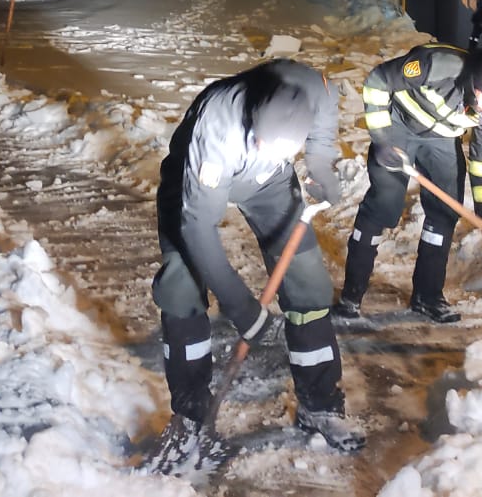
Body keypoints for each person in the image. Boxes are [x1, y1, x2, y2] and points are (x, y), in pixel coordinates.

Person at [150, 59, 365, 460]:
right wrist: (240, 305)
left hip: (267, 184)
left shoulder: (313, 89)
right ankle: (191, 414)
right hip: (193, 178)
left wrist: (319, 164)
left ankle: (320, 405)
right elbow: (199, 228)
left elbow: (324, 123)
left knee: (309, 286)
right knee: (181, 286)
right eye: (266, 144)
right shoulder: (220, 127)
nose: (272, 151)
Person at [336, 46, 482, 324]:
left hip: (442, 139)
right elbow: (377, 81)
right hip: (398, 125)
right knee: (384, 205)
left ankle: (428, 296)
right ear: (474, 85)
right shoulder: (439, 66)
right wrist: (382, 139)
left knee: (445, 212)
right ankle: (351, 294)